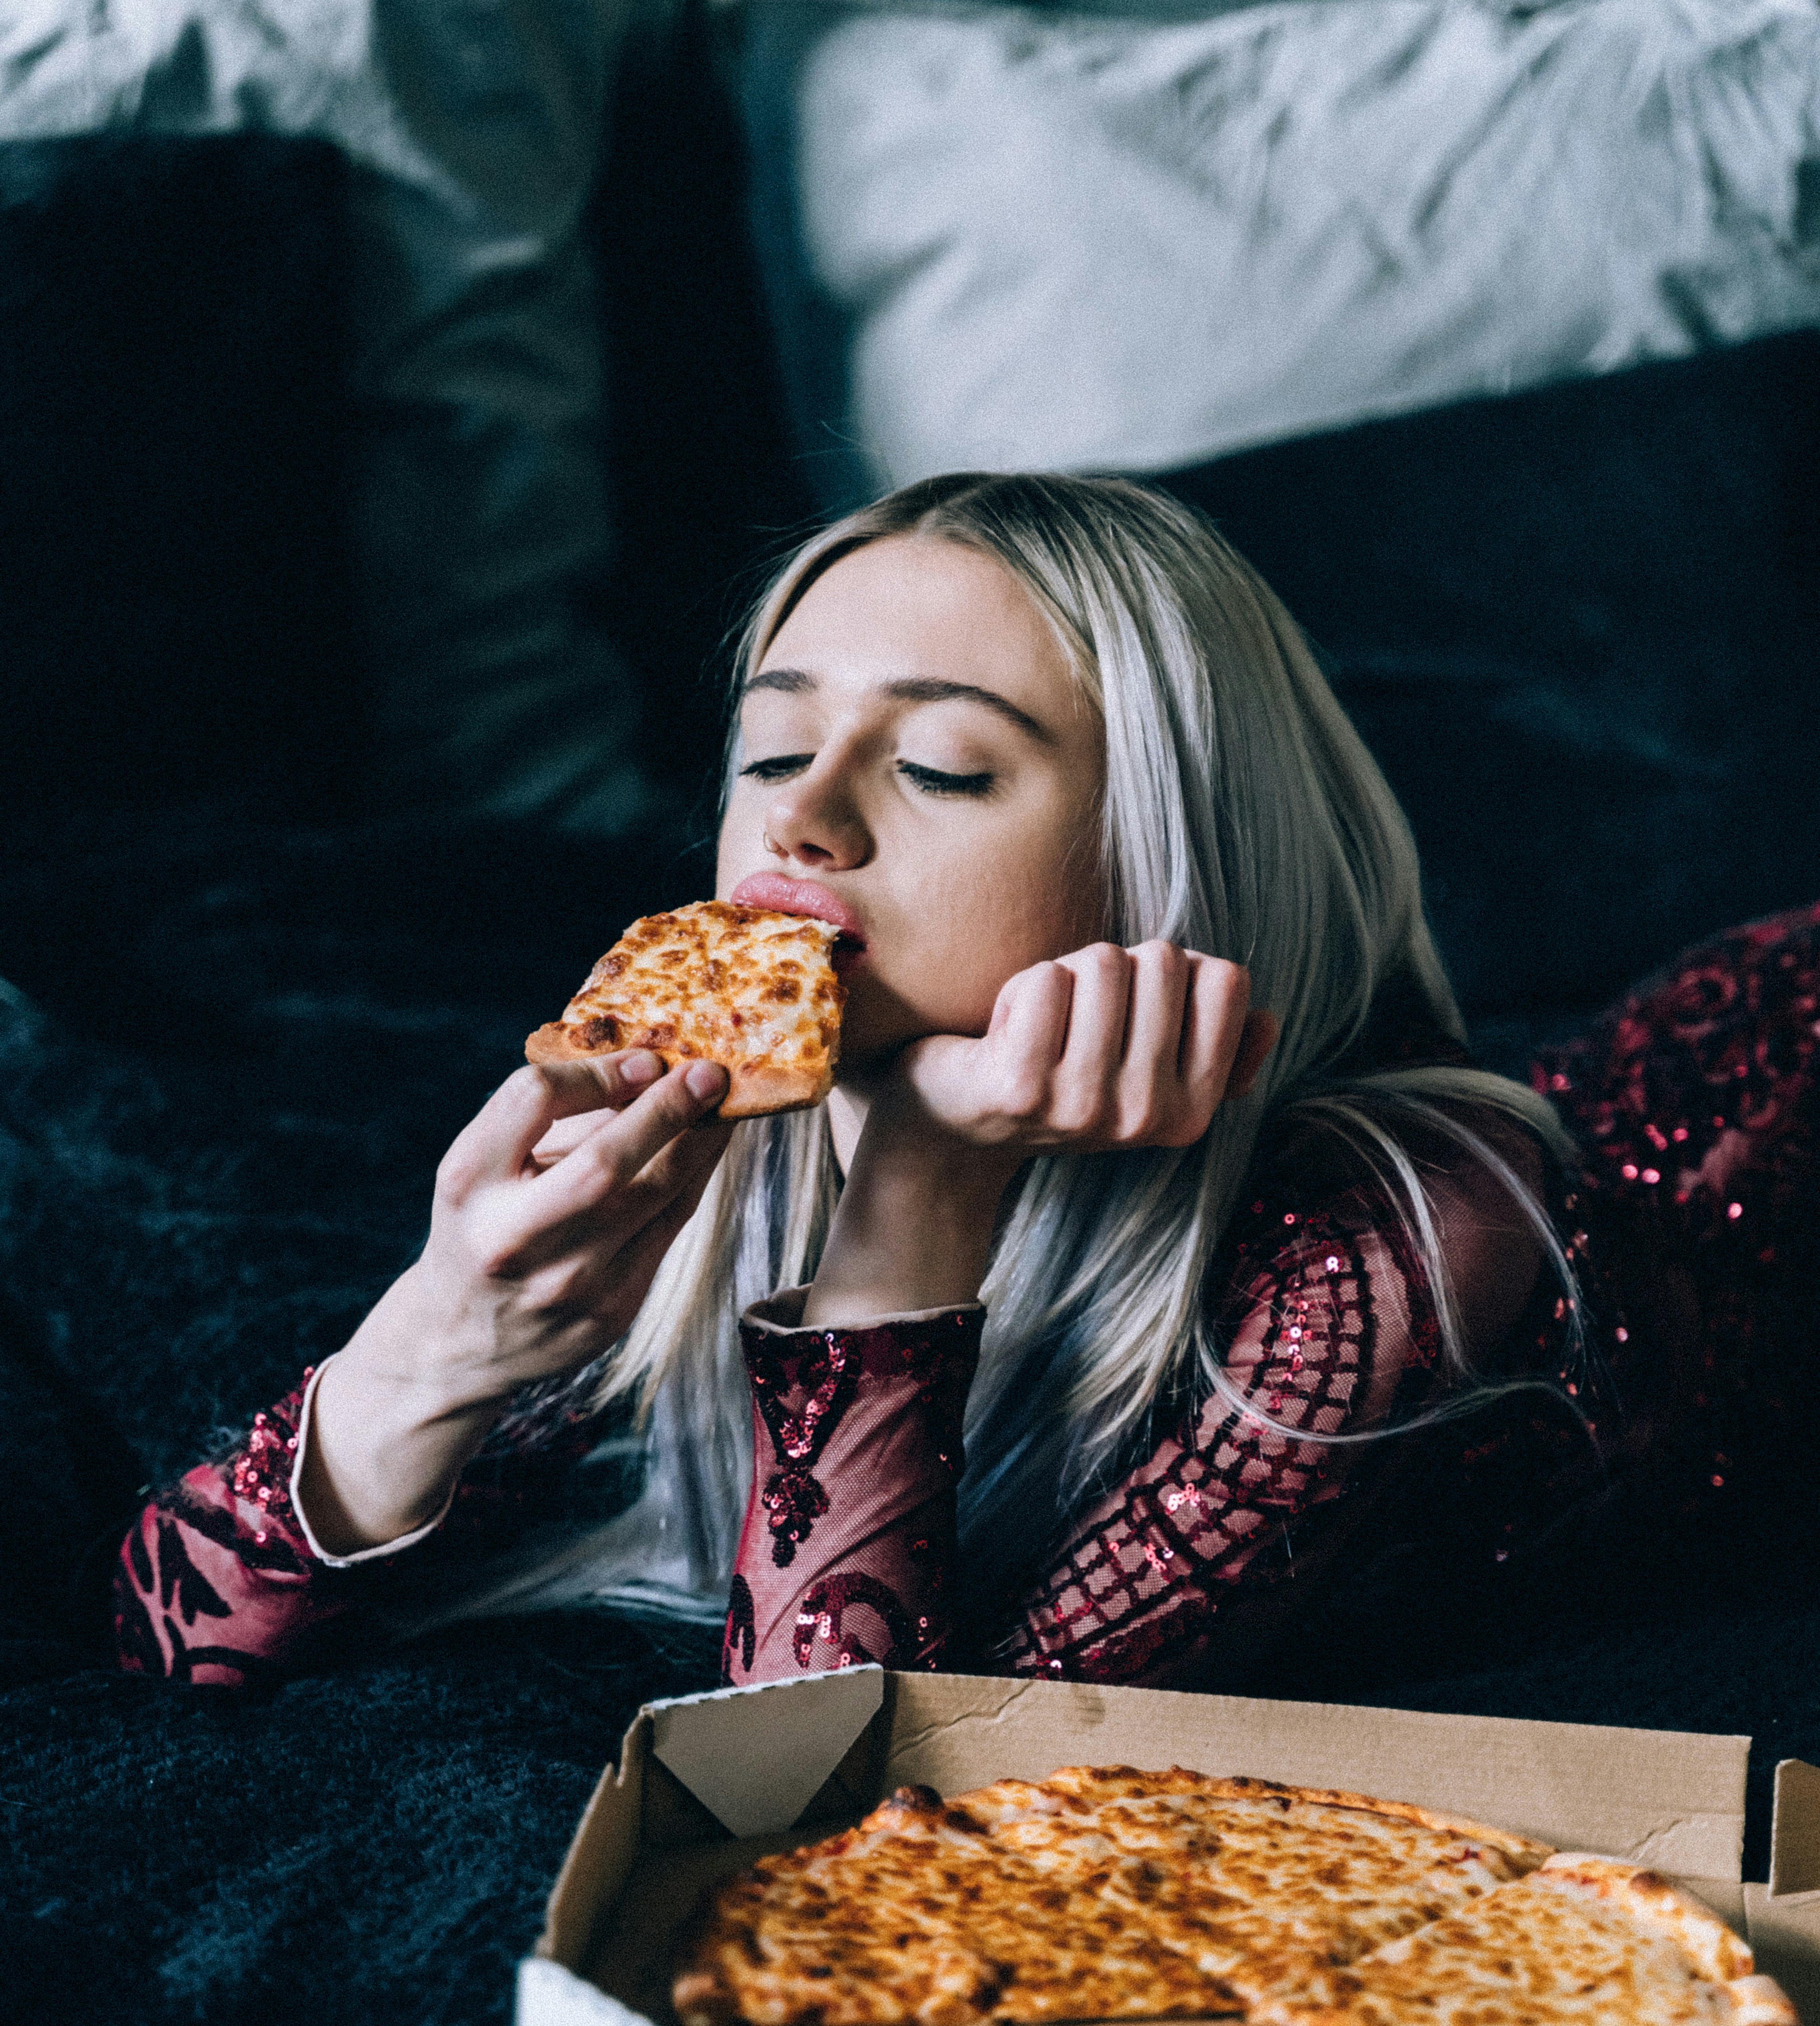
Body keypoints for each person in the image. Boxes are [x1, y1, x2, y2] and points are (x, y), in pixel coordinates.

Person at [114, 474, 1819, 1692]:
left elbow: (844, 1793)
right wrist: (442, 1338)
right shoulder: (706, 1146)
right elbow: (168, 1641)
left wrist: (921, 1181)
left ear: (1167, 864)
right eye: (774, 749)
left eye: (940, 763)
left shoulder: (1404, 1233)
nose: (804, 818)